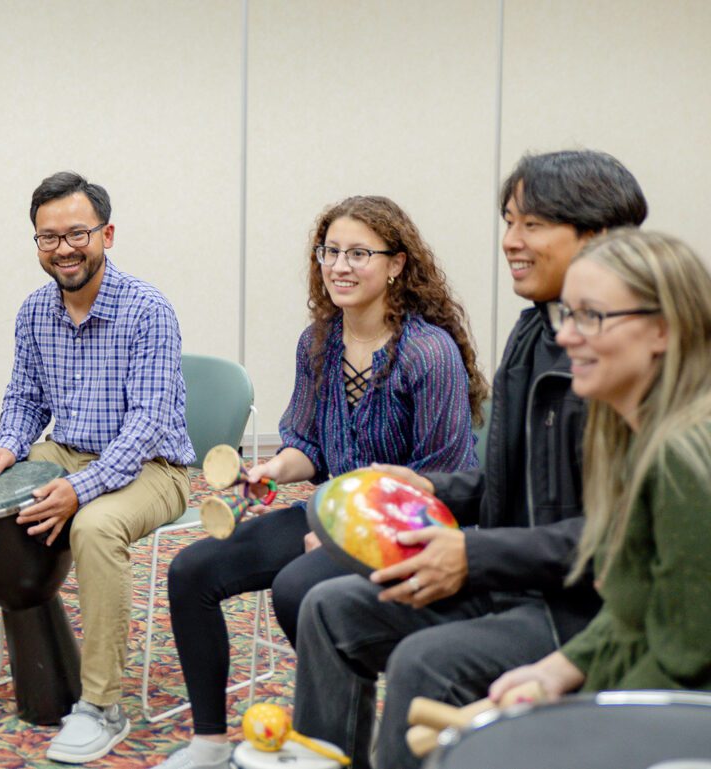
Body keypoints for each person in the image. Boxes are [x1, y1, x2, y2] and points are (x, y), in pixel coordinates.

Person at [289, 150, 649, 769]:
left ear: (597, 236)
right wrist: (425, 487)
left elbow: (623, 536)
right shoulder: (536, 332)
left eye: (531, 225)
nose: (510, 241)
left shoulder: (628, 357)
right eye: (508, 221)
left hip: (583, 611)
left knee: (425, 663)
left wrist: (474, 555)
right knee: (329, 609)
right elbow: (513, 483)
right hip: (515, 579)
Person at [152, 196, 488, 769]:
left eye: (359, 253)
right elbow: (305, 444)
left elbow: (439, 481)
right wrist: (270, 470)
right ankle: (209, 742)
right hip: (327, 513)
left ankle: (340, 740)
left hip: (409, 531)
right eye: (331, 251)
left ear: (397, 264)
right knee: (192, 570)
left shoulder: (428, 353)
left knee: (298, 586)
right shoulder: (318, 342)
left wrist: (346, 537)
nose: (340, 266)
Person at [0, 171, 194, 764]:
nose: (64, 249)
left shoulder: (149, 311)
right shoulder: (35, 311)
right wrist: (9, 446)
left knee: (96, 527)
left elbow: (147, 422)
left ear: (107, 234)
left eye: (77, 234)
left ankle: (103, 705)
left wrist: (81, 488)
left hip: (152, 465)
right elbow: (24, 400)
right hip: (63, 451)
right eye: (48, 238)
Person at [489, 229, 711, 699]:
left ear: (663, 329)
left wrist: (576, 729)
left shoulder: (683, 458)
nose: (566, 336)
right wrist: (555, 671)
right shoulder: (631, 435)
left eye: (591, 316)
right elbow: (636, 613)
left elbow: (687, 663)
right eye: (567, 314)